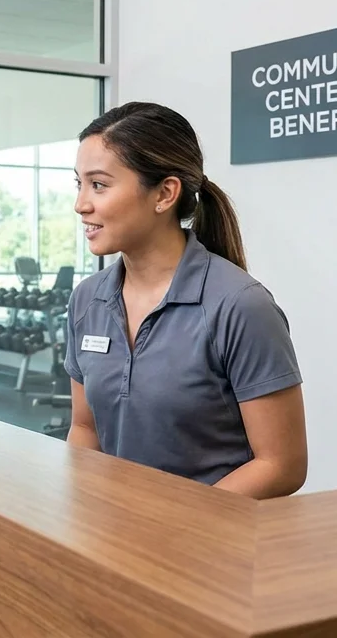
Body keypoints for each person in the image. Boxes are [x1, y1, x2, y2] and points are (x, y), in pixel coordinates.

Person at [63, 102, 307, 499]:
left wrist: (175, 526)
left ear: (164, 193)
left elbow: (281, 465)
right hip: (113, 535)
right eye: (80, 184)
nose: (81, 204)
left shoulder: (240, 305)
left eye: (100, 185)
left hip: (209, 545)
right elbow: (86, 429)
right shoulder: (87, 301)